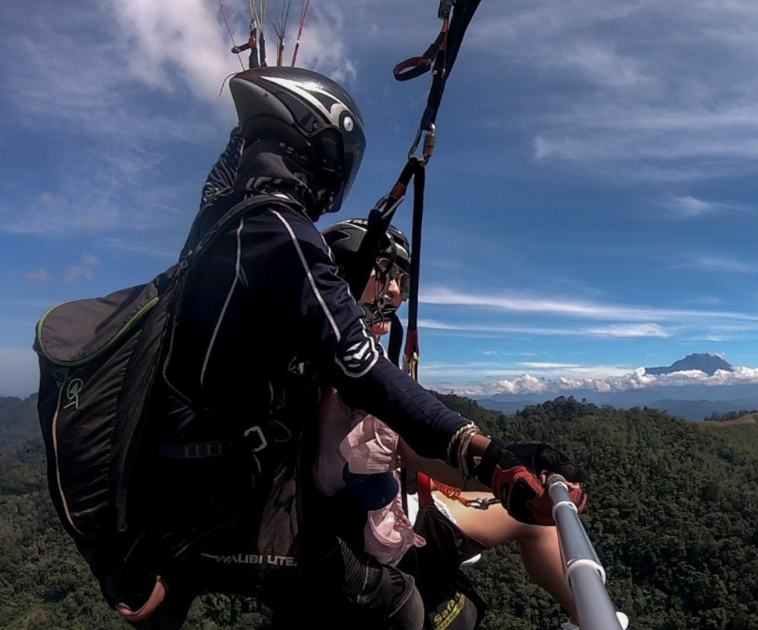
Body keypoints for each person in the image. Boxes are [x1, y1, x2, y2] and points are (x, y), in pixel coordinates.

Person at [133, 66, 588, 630]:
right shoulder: (279, 230)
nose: (395, 290)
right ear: (322, 146)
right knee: (401, 605)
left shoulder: (221, 223)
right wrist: (489, 455)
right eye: (383, 273)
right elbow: (365, 372)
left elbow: (221, 180)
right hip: (222, 510)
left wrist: (241, 135)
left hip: (187, 493)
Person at [316, 219, 589, 629]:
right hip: (376, 544)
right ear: (343, 274)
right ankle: (589, 618)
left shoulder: (338, 368)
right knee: (534, 525)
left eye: (403, 284)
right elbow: (414, 446)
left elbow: (414, 450)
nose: (396, 293)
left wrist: (503, 477)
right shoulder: (342, 375)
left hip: (369, 527)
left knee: (513, 510)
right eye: (387, 274)